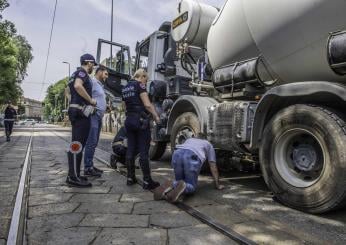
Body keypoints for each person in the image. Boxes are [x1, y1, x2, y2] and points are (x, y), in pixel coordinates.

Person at [154, 135, 224, 203]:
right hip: (191, 156)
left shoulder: (189, 140)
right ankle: (174, 185)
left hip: (177, 153)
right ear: (206, 139)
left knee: (180, 183)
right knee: (191, 187)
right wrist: (217, 185)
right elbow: (213, 166)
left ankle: (172, 184)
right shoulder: (208, 144)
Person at [121, 68, 160, 190]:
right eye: (146, 79)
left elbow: (124, 106)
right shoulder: (140, 85)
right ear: (141, 76)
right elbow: (147, 104)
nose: (146, 82)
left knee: (131, 149)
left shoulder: (125, 87)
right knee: (143, 151)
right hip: (140, 121)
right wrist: (156, 116)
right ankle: (147, 181)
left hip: (129, 120)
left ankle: (130, 177)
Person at [66, 53, 97, 188]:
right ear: (88, 63)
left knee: (77, 143)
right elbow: (78, 86)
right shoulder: (82, 73)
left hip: (76, 110)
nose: (93, 68)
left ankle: (75, 174)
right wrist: (90, 101)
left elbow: (67, 91)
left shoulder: (73, 74)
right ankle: (73, 177)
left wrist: (72, 103)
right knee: (77, 144)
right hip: (81, 112)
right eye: (93, 65)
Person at [83, 65, 109, 177]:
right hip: (93, 115)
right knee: (91, 142)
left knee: (94, 142)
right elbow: (82, 93)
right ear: (99, 72)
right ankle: (87, 168)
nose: (107, 76)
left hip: (99, 116)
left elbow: (98, 98)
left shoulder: (99, 85)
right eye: (106, 73)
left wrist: (105, 106)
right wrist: (90, 102)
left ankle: (90, 165)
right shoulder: (92, 82)